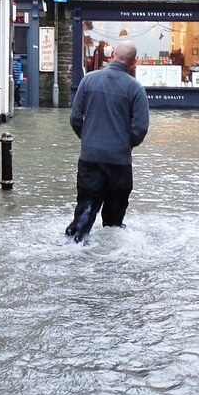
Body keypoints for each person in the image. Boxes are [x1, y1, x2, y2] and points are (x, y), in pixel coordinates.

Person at [65, 40, 150, 243]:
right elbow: (140, 128)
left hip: (90, 159)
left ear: (112, 55)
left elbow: (75, 118)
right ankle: (110, 267)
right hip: (119, 163)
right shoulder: (136, 89)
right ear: (134, 62)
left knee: (86, 208)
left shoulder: (88, 81)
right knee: (114, 224)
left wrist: (88, 139)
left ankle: (74, 244)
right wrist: (123, 145)